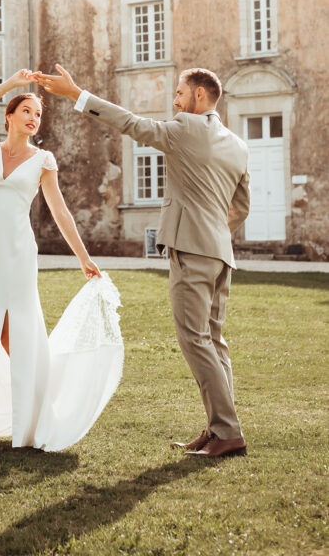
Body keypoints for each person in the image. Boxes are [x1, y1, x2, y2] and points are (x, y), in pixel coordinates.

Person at [35, 63, 251, 459]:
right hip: (222, 254)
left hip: (192, 251)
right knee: (214, 342)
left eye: (180, 93)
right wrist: (215, 233)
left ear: (199, 97)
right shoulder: (237, 144)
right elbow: (241, 207)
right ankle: (218, 428)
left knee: (194, 340)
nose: (175, 100)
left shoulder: (186, 129)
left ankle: (227, 431)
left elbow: (131, 123)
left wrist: (75, 94)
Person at [0, 69, 123, 451]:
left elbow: (60, 212)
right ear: (10, 116)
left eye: (38, 115)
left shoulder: (43, 160)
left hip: (18, 253)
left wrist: (84, 257)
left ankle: (36, 405)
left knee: (17, 331)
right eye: (27, 111)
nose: (33, 118)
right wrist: (13, 84)